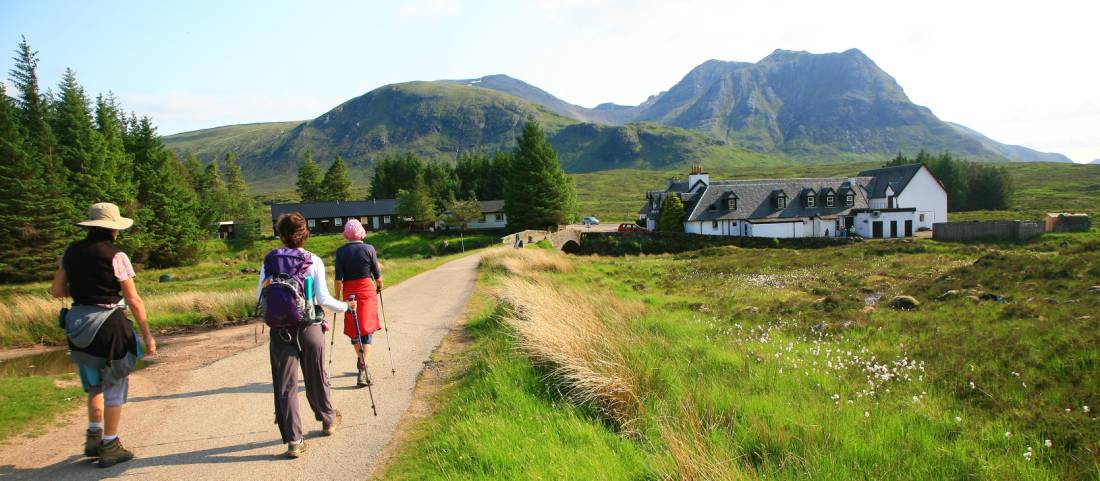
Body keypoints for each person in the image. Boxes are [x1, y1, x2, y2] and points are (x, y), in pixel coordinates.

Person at [50, 202, 156, 468]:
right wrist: (147, 335)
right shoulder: (116, 255)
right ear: (113, 229)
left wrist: (82, 288)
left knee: (95, 385)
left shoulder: (70, 252)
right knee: (115, 384)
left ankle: (93, 435)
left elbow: (57, 291)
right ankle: (110, 445)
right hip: (109, 325)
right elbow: (133, 299)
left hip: (78, 324)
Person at [258, 212, 349, 459]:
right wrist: (346, 306)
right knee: (317, 376)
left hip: (280, 330)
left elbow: (260, 296)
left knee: (285, 384)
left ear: (281, 234)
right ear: (304, 233)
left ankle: (294, 441)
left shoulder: (269, 260)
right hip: (310, 327)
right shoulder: (313, 260)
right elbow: (323, 298)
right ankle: (328, 419)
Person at [333, 219, 383, 388]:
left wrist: (337, 297)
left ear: (346, 234)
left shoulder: (341, 251)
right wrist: (379, 286)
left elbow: (338, 280)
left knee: (355, 329)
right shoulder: (369, 249)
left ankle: (361, 361)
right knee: (366, 329)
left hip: (350, 292)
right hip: (367, 291)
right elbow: (378, 276)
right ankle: (363, 367)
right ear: (362, 233)